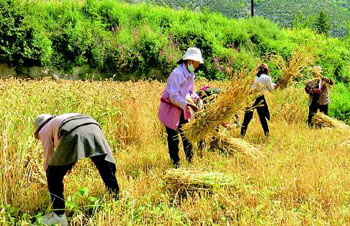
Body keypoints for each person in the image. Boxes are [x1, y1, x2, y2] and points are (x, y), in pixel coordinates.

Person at [34, 113, 120, 226]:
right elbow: (70, 149)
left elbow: (49, 157)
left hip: (72, 129)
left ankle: (58, 216)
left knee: (53, 174)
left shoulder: (44, 129)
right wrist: (67, 165)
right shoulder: (59, 120)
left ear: (39, 128)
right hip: (93, 125)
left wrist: (50, 174)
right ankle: (116, 201)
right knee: (104, 165)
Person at [158, 47, 203, 167]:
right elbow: (173, 97)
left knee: (186, 135)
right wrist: (187, 105)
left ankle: (190, 162)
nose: (198, 65)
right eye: (197, 63)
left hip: (182, 108)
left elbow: (190, 91)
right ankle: (175, 165)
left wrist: (197, 99)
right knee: (173, 138)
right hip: (171, 108)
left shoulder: (190, 73)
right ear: (189, 61)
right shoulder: (177, 74)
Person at [241, 63, 274, 137]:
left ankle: (242, 135)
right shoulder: (267, 78)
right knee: (262, 117)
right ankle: (267, 135)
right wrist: (278, 85)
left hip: (250, 98)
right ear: (266, 70)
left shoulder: (253, 77)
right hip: (259, 98)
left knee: (247, 118)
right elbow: (271, 89)